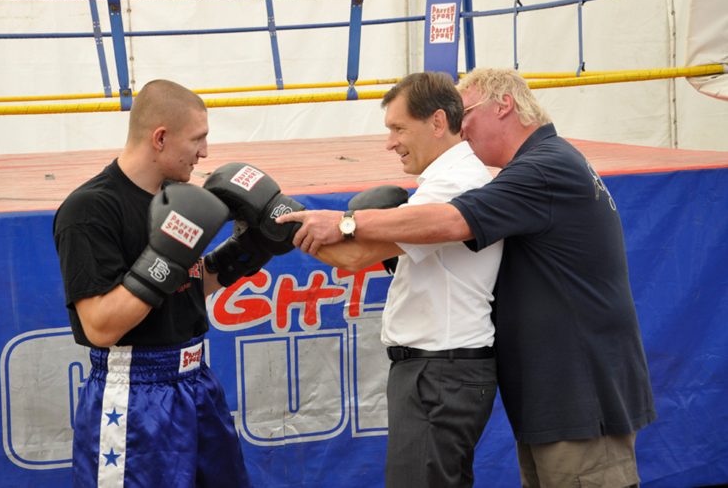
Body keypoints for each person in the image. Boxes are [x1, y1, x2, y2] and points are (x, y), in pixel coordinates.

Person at [277, 68, 657, 487]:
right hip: (559, 387)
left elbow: (453, 220)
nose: (461, 124)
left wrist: (345, 222)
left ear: (504, 105)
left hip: (576, 387)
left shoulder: (542, 168)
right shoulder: (540, 165)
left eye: (467, 111)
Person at [305, 72, 502, 487]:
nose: (389, 142)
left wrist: (273, 218)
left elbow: (354, 255)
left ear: (436, 122)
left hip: (440, 369)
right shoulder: (450, 180)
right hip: (440, 369)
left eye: (398, 128)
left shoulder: (452, 185)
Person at [53, 80, 253, 487]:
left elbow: (186, 289)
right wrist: (164, 258)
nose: (205, 153)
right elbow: (100, 325)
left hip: (196, 381)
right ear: (160, 138)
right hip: (134, 394)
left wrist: (250, 249)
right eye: (198, 139)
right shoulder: (90, 208)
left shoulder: (176, 197)